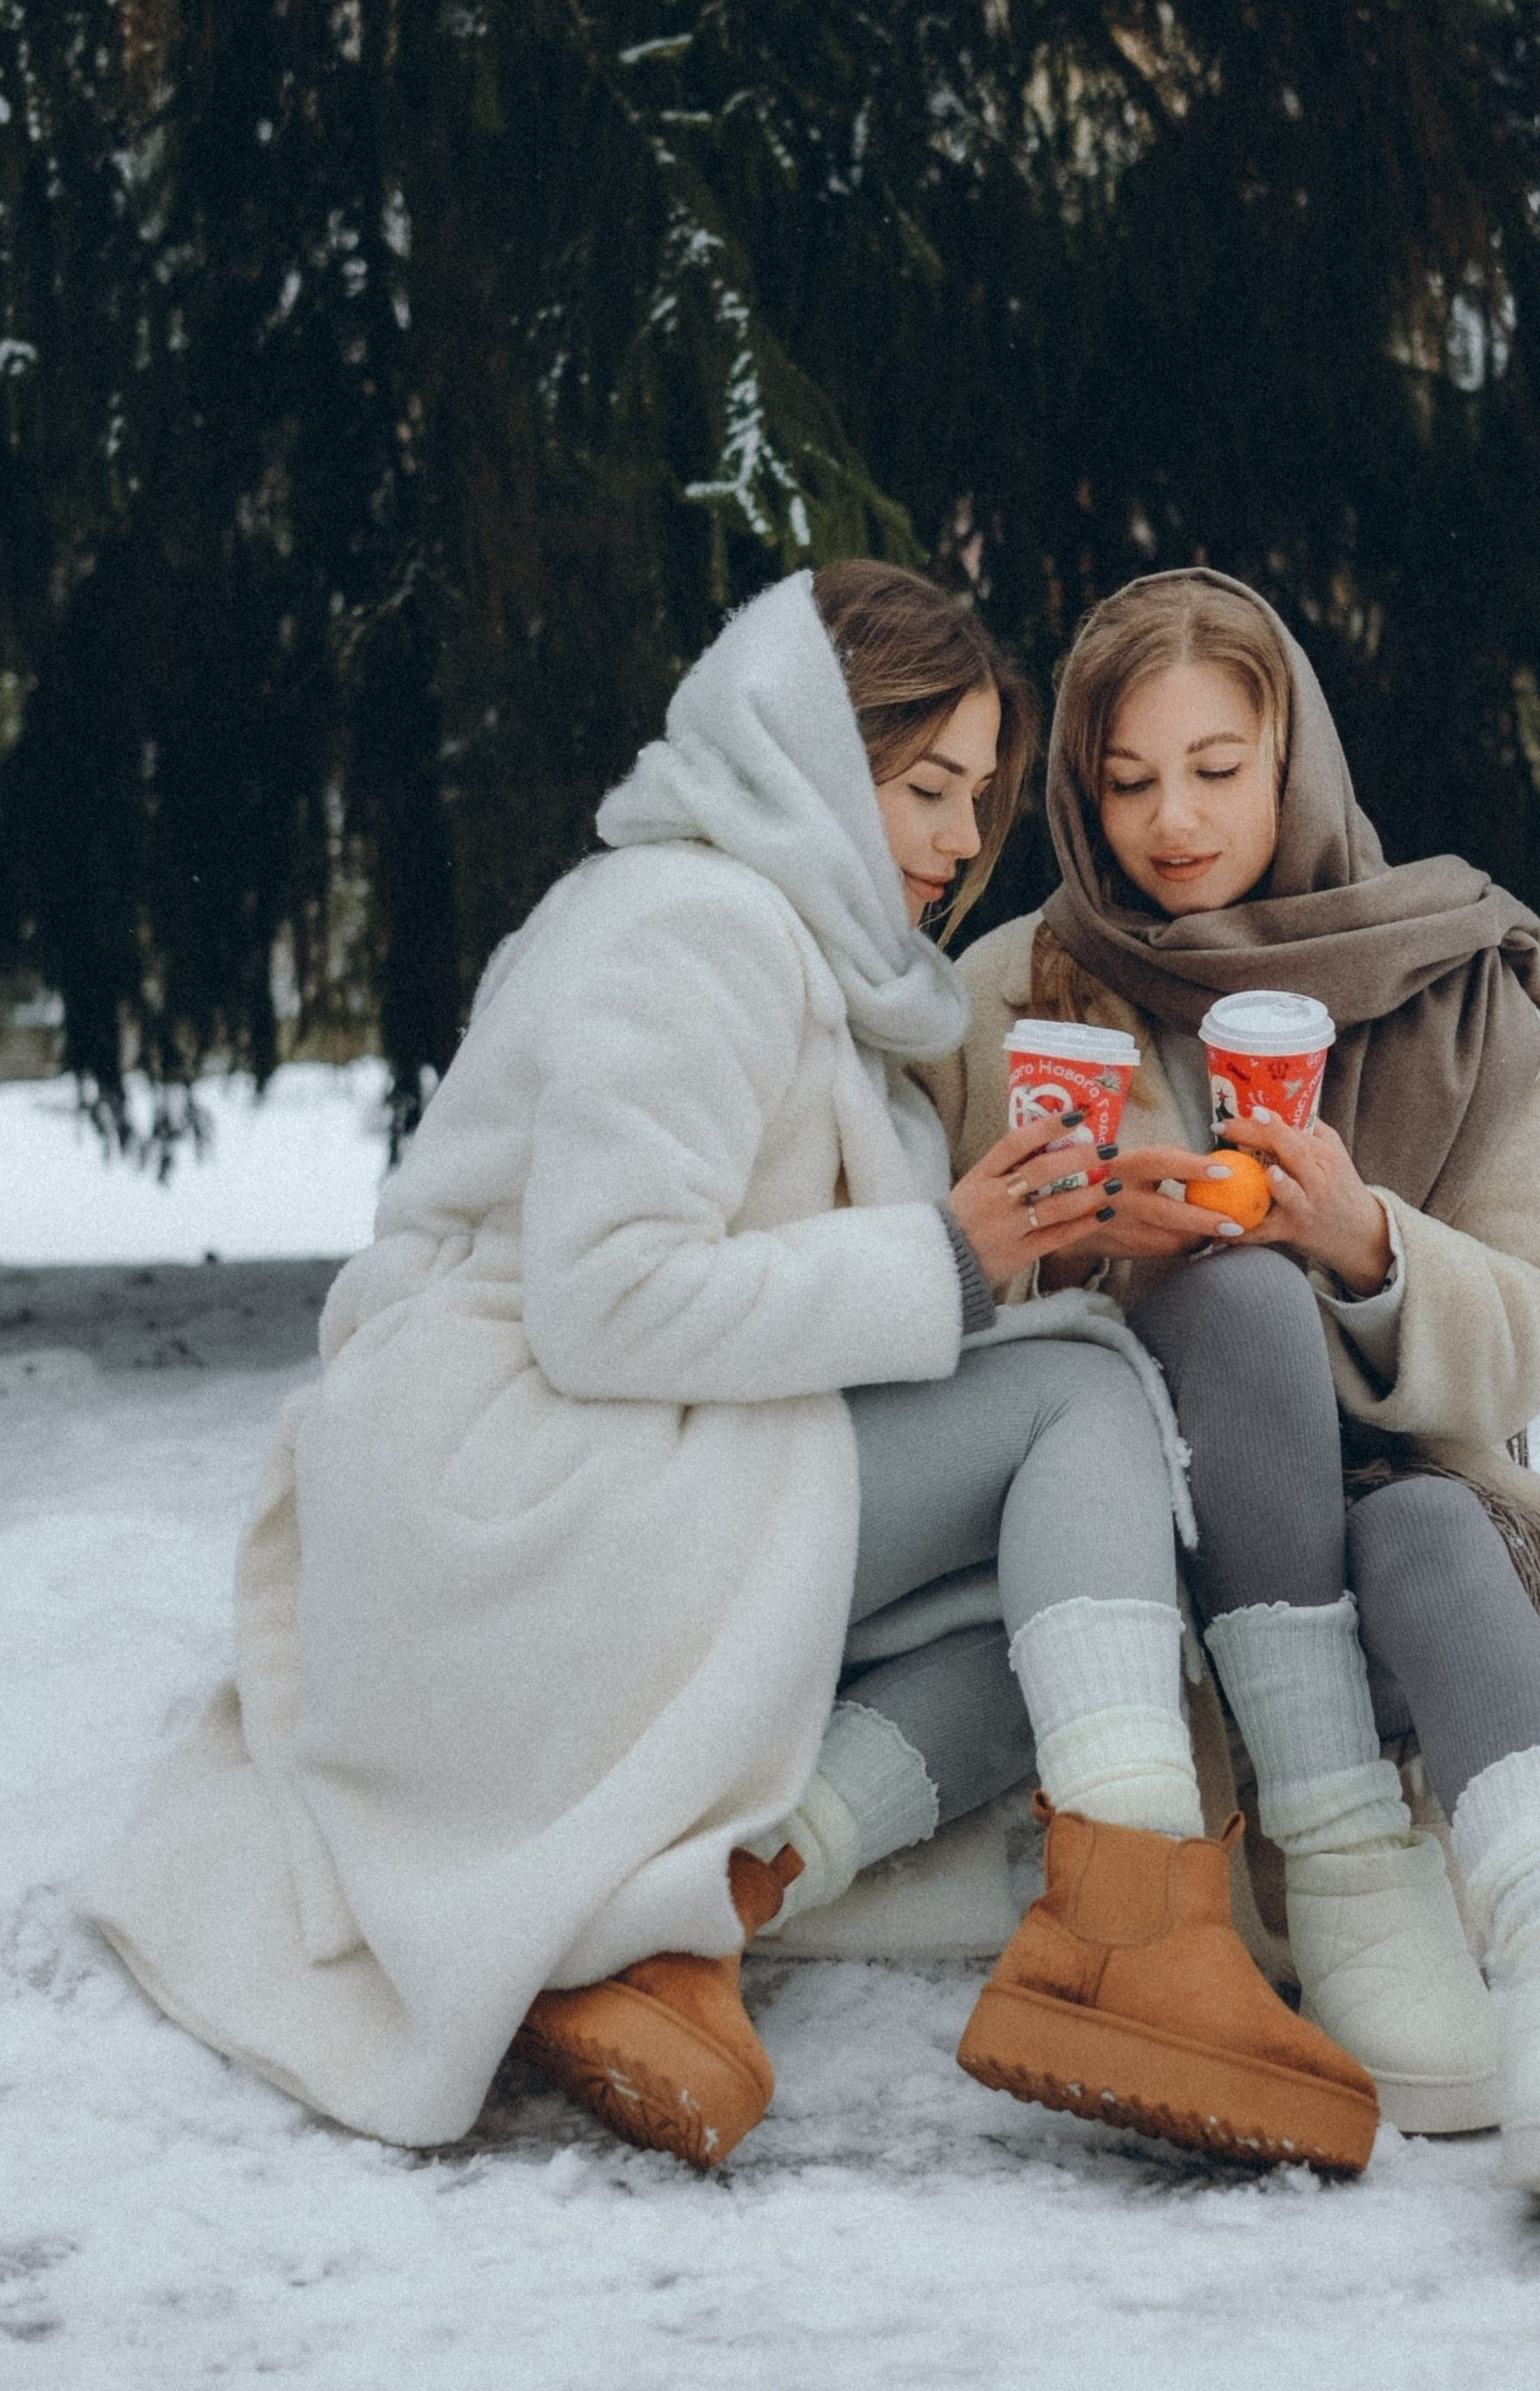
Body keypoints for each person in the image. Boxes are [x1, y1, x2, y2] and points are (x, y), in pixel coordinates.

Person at [85, 564, 1375, 2182]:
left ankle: (694, 1927)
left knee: (1048, 1606)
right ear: (812, 753)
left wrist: (1026, 1246)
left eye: (976, 795)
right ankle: (1130, 1941)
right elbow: (608, 1301)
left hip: (616, 1466)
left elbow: (789, 1281)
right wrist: (952, 1258)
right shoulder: (692, 925)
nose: (960, 840)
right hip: (512, 1481)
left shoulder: (793, 945)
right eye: (923, 787)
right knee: (1087, 1402)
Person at [930, 570, 1540, 2203]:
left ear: (1295, 759)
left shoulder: (1453, 987)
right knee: (1232, 1285)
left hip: (1394, 1526)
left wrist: (1369, 1245)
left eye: (1218, 768)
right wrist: (1069, 1258)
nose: (1173, 823)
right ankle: (1346, 1858)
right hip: (1149, 1546)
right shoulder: (1014, 993)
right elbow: (938, 1315)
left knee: (1427, 1531)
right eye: (1126, 781)